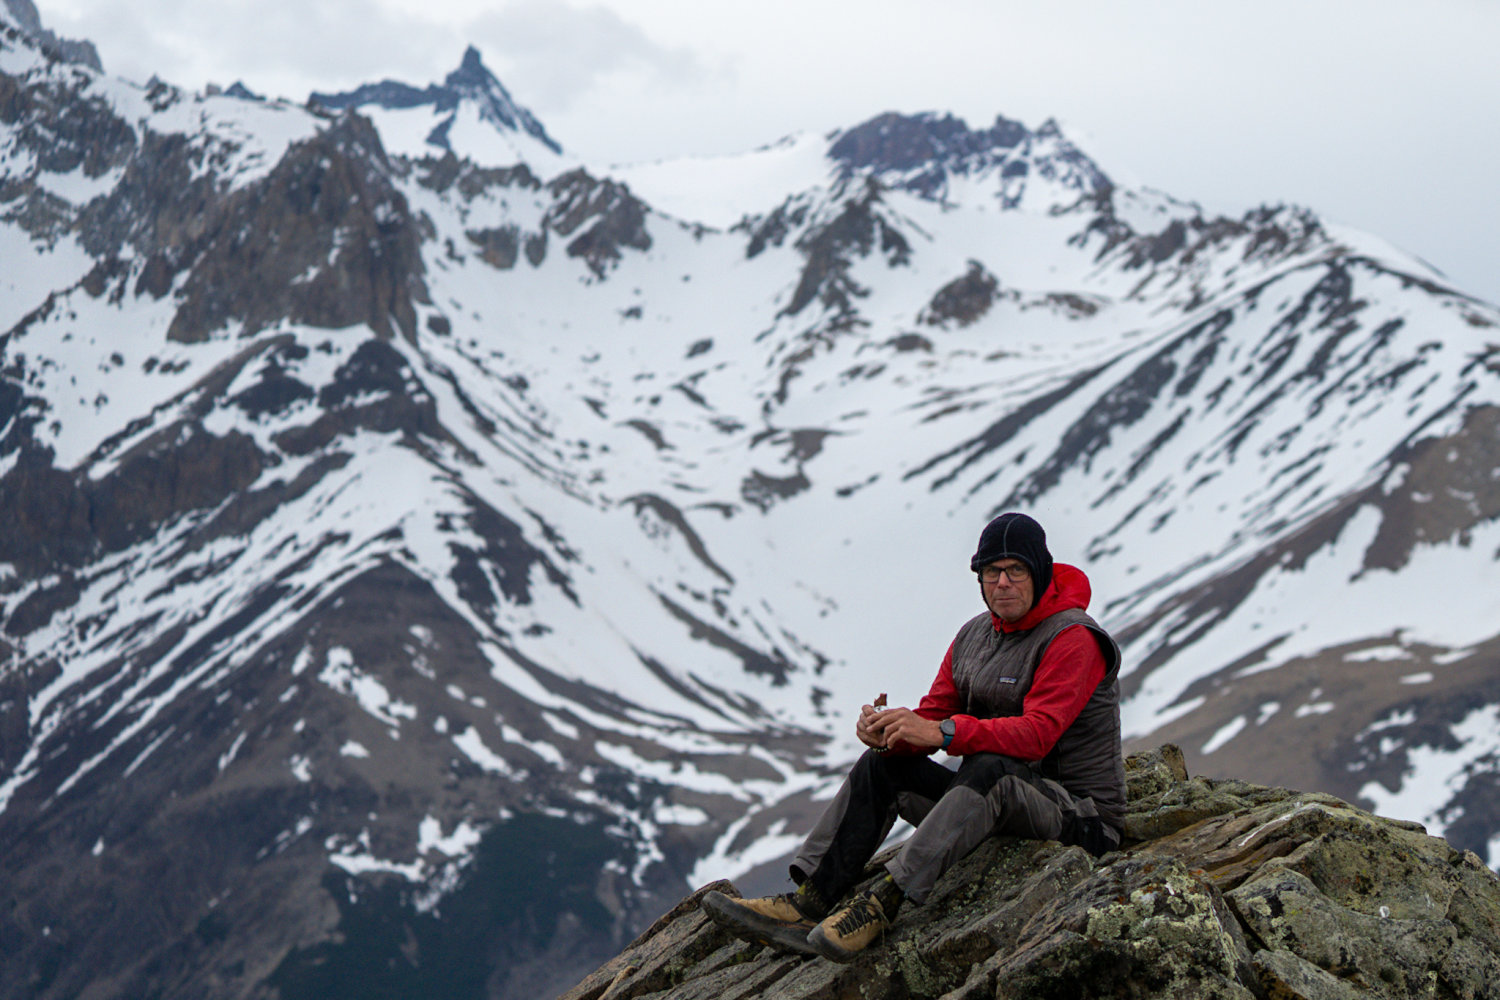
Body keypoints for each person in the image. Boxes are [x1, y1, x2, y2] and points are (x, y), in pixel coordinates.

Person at [702, 512, 1125, 963]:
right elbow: (935, 715)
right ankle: (809, 902)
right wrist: (890, 732)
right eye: (991, 571)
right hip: (992, 808)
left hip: (1080, 819)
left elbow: (1037, 735)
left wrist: (942, 732)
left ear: (1039, 572)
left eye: (1016, 570)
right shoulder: (974, 636)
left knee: (990, 767)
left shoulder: (1073, 637)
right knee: (884, 766)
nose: (1003, 582)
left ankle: (879, 907)